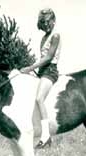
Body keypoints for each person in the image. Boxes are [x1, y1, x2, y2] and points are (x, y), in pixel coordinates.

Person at [20, 8, 61, 148]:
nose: (46, 25)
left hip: (50, 71)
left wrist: (29, 68)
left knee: (39, 98)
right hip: (43, 71)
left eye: (49, 22)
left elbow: (48, 58)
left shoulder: (56, 36)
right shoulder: (44, 38)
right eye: (43, 23)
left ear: (53, 21)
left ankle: (46, 135)